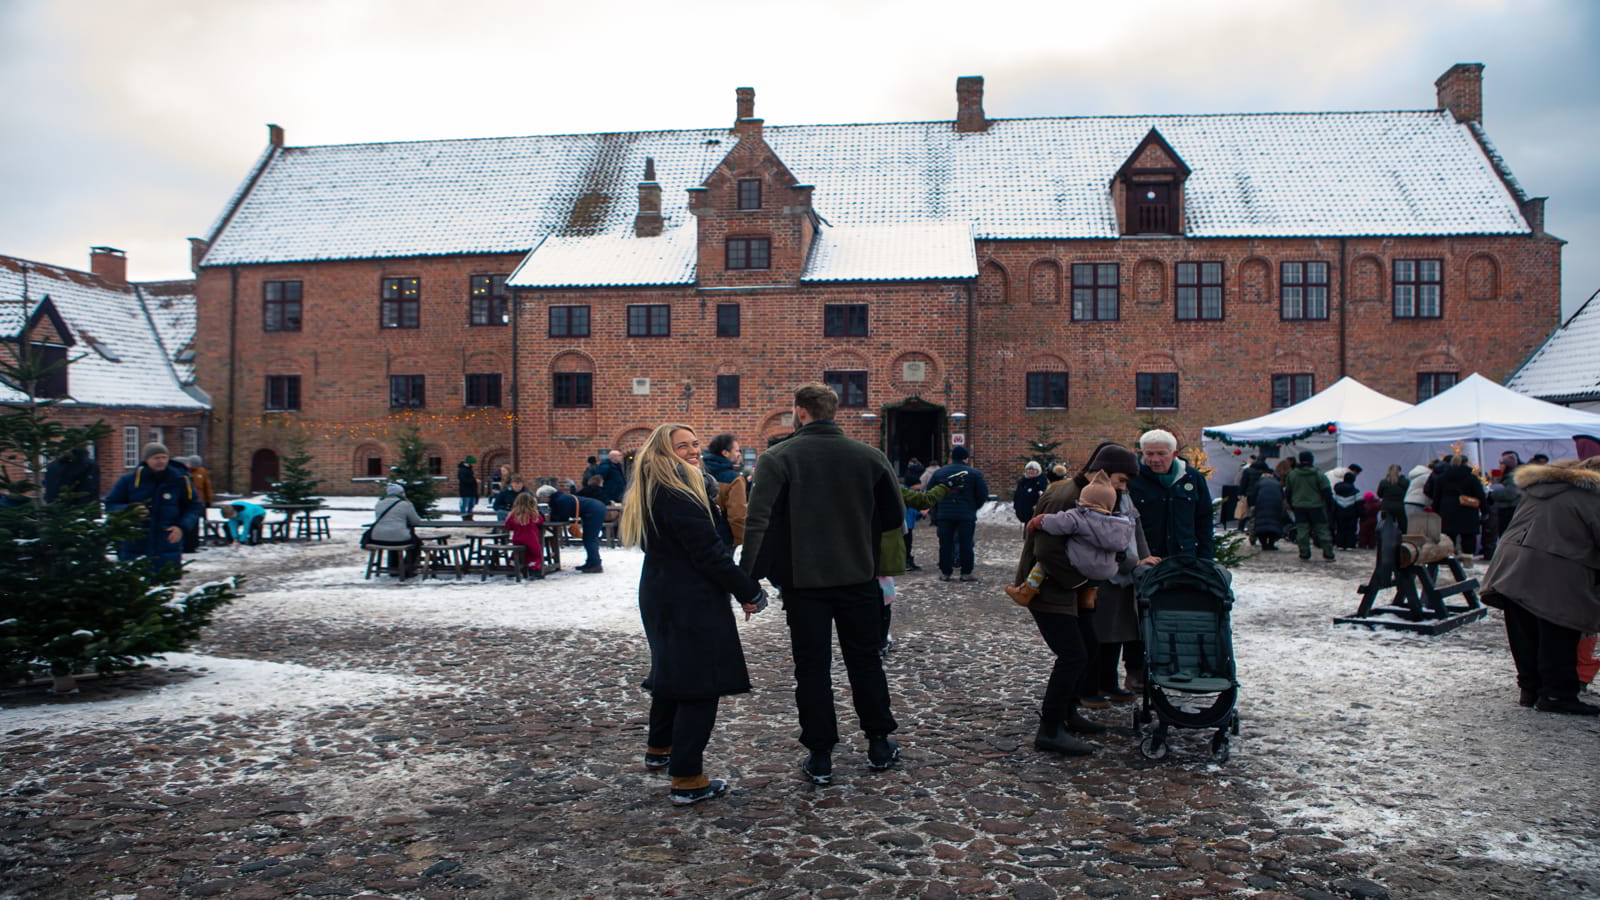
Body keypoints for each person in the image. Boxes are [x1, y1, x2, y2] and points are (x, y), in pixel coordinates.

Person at [741, 382, 906, 784]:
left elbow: (759, 521)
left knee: (812, 667)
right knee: (865, 661)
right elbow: (892, 515)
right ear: (834, 411)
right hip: (857, 575)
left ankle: (820, 754)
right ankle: (879, 741)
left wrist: (747, 578)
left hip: (804, 581)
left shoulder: (778, 457)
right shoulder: (869, 456)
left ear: (800, 411)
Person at [623, 423, 768, 804]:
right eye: (682, 446)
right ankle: (687, 778)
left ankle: (660, 748)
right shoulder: (678, 494)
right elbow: (709, 554)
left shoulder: (657, 488)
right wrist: (749, 590)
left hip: (663, 592)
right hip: (689, 598)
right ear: (663, 453)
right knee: (700, 684)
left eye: (694, 443)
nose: (692, 451)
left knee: (672, 673)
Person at [1014, 442, 1145, 754]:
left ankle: (1068, 713)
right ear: (1104, 473)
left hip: (1073, 590)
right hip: (1048, 588)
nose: (1123, 488)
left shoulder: (1093, 495)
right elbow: (1046, 550)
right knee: (1072, 655)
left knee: (1087, 647)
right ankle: (1050, 729)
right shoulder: (1066, 497)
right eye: (1122, 480)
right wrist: (1082, 580)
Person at [1479, 457, 1600, 716]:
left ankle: (1531, 689)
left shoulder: (1543, 488)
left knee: (1525, 630)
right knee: (1558, 631)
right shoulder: (1591, 497)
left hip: (1512, 565)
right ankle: (1557, 694)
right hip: (1556, 568)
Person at [1007, 474, 1133, 608]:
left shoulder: (1080, 516)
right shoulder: (1120, 525)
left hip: (1080, 564)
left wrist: (1039, 521)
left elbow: (1058, 523)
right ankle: (1088, 598)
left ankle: (1027, 591)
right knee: (1098, 563)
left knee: (1044, 561)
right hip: (1106, 571)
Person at [878, 473, 959, 656]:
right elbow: (923, 500)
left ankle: (868, 639)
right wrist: (946, 486)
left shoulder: (848, 486)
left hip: (854, 551)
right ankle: (880, 639)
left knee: (861, 597)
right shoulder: (889, 487)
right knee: (883, 597)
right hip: (882, 551)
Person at [103, 443, 203, 571]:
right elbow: (111, 504)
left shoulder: (180, 480)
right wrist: (129, 510)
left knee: (165, 579)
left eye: (164, 457)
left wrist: (181, 527)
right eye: (156, 458)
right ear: (146, 459)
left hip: (167, 542)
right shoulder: (129, 481)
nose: (161, 461)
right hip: (135, 543)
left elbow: (193, 507)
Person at [1128, 430, 1215, 560]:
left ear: (1175, 454)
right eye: (1149, 454)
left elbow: (1204, 520)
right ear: (1142, 453)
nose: (1155, 459)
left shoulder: (1192, 478)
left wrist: (1205, 559)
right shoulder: (1133, 479)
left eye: (1161, 454)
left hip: (1185, 558)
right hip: (1146, 559)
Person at [929, 446, 990, 582]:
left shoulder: (939, 473)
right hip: (966, 515)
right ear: (966, 458)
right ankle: (966, 572)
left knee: (945, 544)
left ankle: (945, 572)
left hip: (945, 514)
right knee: (966, 543)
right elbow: (982, 494)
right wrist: (973, 507)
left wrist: (938, 509)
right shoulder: (974, 474)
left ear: (951, 457)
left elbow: (930, 493)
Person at [1425, 454, 1486, 565]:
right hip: (1467, 509)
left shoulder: (1441, 477)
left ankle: (1449, 561)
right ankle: (1468, 562)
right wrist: (1485, 510)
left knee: (1448, 537)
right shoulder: (1472, 477)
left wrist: (1435, 510)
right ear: (1466, 463)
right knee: (1468, 536)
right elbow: (1480, 495)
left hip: (1447, 509)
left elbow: (1436, 496)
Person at [542, 479, 606, 572]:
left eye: (541, 497)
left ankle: (595, 564)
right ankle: (591, 562)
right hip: (596, 509)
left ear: (546, 496)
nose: (541, 500)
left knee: (590, 539)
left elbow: (563, 516)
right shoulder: (561, 498)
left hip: (594, 511)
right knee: (589, 538)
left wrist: (552, 518)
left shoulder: (561, 500)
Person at [1284, 450, 1337, 561]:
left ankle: (1304, 553)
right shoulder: (1319, 475)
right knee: (1322, 530)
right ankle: (1328, 553)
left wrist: (1293, 505)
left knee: (1302, 531)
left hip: (1299, 506)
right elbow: (1327, 493)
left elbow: (1288, 493)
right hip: (1317, 507)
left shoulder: (1292, 475)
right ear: (1312, 460)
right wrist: (1330, 507)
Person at [366, 483, 423, 577]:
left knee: (392, 539)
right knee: (416, 543)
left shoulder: (379, 503)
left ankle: (393, 567)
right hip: (398, 537)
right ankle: (407, 568)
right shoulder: (405, 504)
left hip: (377, 537)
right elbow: (415, 521)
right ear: (401, 493)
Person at [702, 433, 749, 548]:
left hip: (702, 537)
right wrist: (740, 543)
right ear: (725, 453)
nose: (739, 454)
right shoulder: (735, 479)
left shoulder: (700, 472)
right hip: (725, 540)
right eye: (737, 450)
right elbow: (737, 517)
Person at [502, 491, 545, 579]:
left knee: (517, 553)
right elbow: (540, 521)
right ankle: (534, 569)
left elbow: (508, 526)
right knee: (535, 554)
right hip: (531, 539)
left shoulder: (513, 515)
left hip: (517, 538)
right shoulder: (533, 514)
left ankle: (513, 567)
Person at [1247, 466, 1286, 551]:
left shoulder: (1259, 483)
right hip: (1275, 506)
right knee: (1274, 525)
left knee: (1261, 525)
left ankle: (1264, 544)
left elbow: (1253, 496)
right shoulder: (1277, 483)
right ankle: (1271, 544)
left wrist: (1252, 506)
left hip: (1261, 506)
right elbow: (1282, 496)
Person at [182, 455, 215, 553]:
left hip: (198, 501)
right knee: (186, 523)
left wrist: (208, 500)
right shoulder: (183, 471)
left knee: (195, 524)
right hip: (186, 501)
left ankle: (193, 544)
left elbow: (207, 487)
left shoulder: (202, 472)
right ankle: (185, 544)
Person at [1376, 464, 1411, 535]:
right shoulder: (1405, 482)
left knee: (1386, 526)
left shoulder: (1383, 482)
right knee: (1403, 526)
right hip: (1400, 506)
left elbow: (1379, 494)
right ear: (1399, 472)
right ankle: (1403, 539)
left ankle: (1387, 540)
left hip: (1387, 507)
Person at [1332, 471, 1362, 550]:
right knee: (1351, 529)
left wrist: (1333, 514)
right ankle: (1350, 545)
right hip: (1352, 512)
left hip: (1339, 512)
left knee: (1340, 528)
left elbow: (1333, 503)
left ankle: (1340, 544)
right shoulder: (1356, 491)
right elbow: (1359, 504)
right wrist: (1360, 514)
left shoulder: (1337, 490)